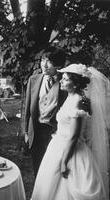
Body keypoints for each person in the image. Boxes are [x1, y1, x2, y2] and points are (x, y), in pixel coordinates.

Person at [31, 64, 109, 200]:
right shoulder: (70, 97)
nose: (61, 81)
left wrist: (64, 162)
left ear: (75, 83)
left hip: (70, 150)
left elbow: (73, 136)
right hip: (58, 145)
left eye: (65, 79)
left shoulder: (77, 102)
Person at [23, 47, 67, 176]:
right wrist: (26, 131)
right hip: (36, 130)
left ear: (58, 65)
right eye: (43, 60)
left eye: (50, 62)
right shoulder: (33, 80)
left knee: (53, 168)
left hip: (54, 131)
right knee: (37, 165)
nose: (44, 65)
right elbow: (28, 109)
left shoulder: (65, 82)